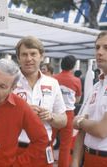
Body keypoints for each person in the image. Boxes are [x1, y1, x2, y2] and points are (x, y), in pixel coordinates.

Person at [72, 31, 107, 167]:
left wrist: (80, 121)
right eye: (97, 47)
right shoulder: (97, 85)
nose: (99, 52)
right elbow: (80, 131)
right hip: (89, 157)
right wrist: (74, 162)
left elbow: (102, 130)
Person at [13, 36, 67, 164]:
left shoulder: (52, 83)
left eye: (33, 54)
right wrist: (23, 113)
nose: (29, 59)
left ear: (41, 56)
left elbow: (63, 120)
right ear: (18, 57)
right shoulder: (9, 81)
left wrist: (50, 117)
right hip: (16, 148)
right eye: (24, 54)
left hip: (44, 150)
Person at [52, 55, 82, 167]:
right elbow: (78, 99)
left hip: (54, 113)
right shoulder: (76, 80)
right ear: (73, 66)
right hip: (68, 113)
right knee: (66, 145)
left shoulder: (53, 78)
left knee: (49, 142)